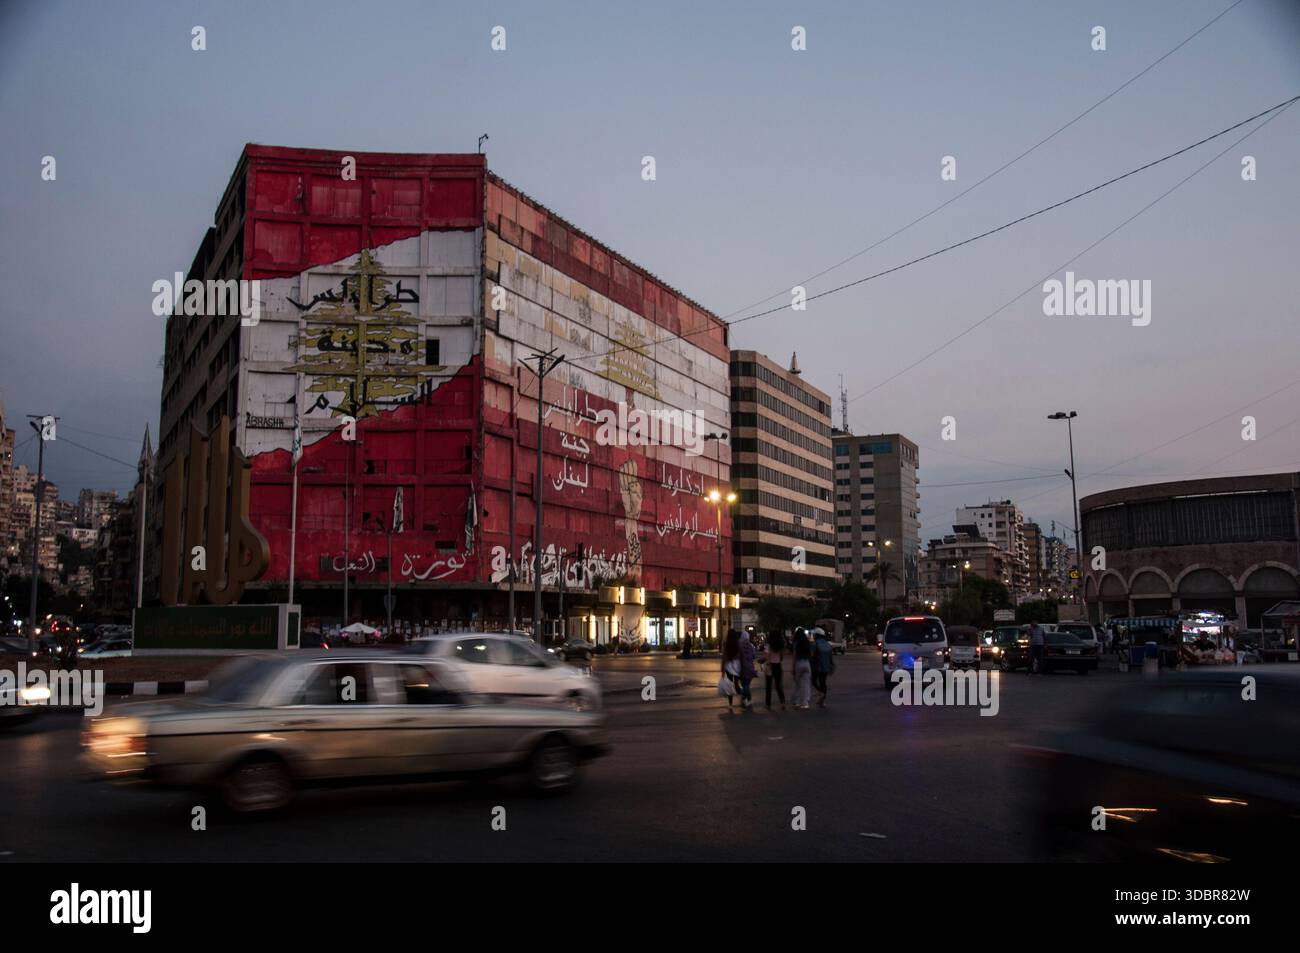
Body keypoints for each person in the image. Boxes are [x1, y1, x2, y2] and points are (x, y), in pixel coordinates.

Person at [811, 627, 836, 706]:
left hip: (817, 666)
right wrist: (831, 665)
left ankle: (820, 693)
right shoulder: (828, 644)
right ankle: (823, 701)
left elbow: (811, 656)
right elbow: (830, 657)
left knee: (813, 681)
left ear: (817, 635)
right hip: (825, 667)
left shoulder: (815, 644)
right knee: (823, 683)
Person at [764, 630, 787, 710]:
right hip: (778, 666)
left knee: (768, 686)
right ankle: (782, 702)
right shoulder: (780, 646)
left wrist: (767, 663)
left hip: (770, 666)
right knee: (778, 685)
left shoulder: (768, 645)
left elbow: (767, 656)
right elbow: (781, 658)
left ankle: (768, 704)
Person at [791, 628, 813, 709]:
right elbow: (811, 654)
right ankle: (805, 703)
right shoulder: (807, 642)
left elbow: (794, 655)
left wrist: (792, 667)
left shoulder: (796, 643)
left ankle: (796, 701)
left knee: (797, 684)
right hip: (807, 663)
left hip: (798, 663)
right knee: (806, 684)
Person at [722, 629, 742, 709]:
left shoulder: (726, 644)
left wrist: (722, 669)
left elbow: (724, 657)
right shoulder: (738, 644)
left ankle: (730, 704)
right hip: (737, 665)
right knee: (737, 684)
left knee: (730, 684)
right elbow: (740, 655)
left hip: (729, 666)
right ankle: (743, 698)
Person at [737, 630, 757, 709]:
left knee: (745, 685)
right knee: (746, 685)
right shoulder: (751, 646)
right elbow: (754, 656)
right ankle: (746, 700)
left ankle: (746, 699)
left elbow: (738, 657)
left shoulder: (739, 646)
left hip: (743, 669)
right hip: (751, 668)